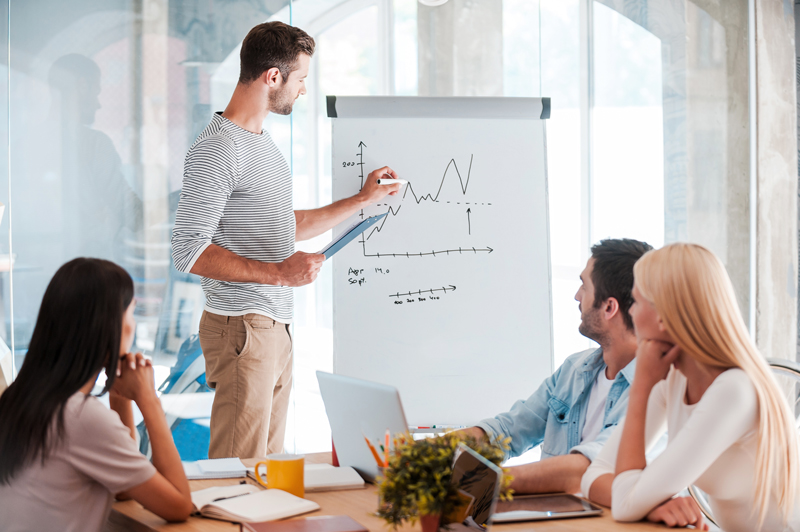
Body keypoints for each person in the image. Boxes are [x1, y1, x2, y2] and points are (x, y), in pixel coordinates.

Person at [171, 21, 402, 459]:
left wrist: (361, 200)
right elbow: (188, 249)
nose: (303, 90)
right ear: (273, 76)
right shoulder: (217, 149)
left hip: (273, 327)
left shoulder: (261, 144)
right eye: (301, 79)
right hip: (243, 325)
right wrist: (279, 273)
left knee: (265, 470)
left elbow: (282, 226)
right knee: (238, 473)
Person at [581, 243, 800, 532]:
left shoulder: (734, 390)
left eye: (636, 302)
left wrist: (641, 387)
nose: (630, 311)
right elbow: (594, 476)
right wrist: (649, 503)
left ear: (663, 316)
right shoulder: (674, 378)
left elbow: (624, 502)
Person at [0, 258, 192, 532]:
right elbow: (179, 505)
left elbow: (124, 486)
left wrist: (120, 397)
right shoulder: (80, 415)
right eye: (132, 313)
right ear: (111, 326)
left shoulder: (19, 398)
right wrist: (148, 399)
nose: (134, 325)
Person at [458, 238, 652, 494]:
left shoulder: (653, 388)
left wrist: (477, 482)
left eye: (584, 286)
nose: (577, 296)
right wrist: (425, 455)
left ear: (609, 307)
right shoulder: (575, 369)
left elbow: (586, 469)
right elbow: (507, 432)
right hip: (555, 511)